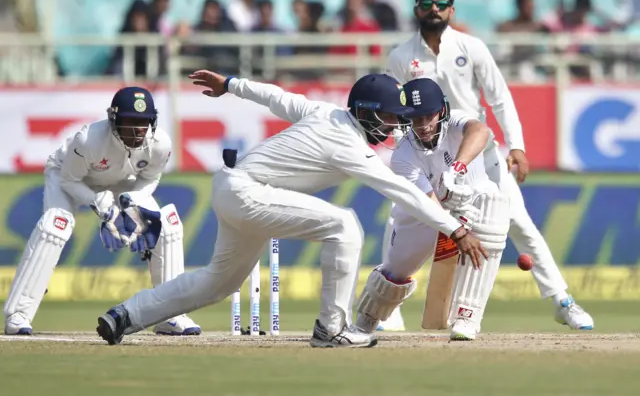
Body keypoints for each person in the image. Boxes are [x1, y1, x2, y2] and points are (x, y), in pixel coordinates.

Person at [95, 71, 487, 348]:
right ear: (365, 112)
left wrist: (230, 84)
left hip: (238, 191)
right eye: (388, 118)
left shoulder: (326, 112)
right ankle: (331, 329)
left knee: (218, 284)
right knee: (344, 225)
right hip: (249, 193)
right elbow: (406, 193)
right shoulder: (347, 144)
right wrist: (456, 230)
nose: (394, 128)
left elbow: (276, 97)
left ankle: (125, 315)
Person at [379, 0, 593, 331]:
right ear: (416, 9)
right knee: (401, 216)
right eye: (426, 3)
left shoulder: (471, 46)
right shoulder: (401, 57)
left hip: (477, 151)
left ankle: (562, 300)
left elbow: (499, 97)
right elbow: (397, 111)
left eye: (441, 3)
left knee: (519, 222)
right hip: (427, 153)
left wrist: (518, 145)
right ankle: (391, 305)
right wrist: (410, 152)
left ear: (452, 10)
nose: (434, 9)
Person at [3, 87, 200, 337]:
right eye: (130, 122)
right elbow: (68, 180)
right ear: (114, 120)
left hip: (121, 181)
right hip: (70, 176)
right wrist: (98, 202)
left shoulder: (160, 143)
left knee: (167, 224)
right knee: (56, 225)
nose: (138, 130)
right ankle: (18, 314)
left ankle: (170, 315)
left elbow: (151, 177)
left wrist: (133, 201)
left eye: (143, 122)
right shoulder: (89, 140)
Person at [355, 78, 510, 341]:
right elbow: (430, 206)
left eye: (428, 116)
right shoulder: (403, 155)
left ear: (442, 111)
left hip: (470, 203)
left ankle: (467, 316)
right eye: (415, 119)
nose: (423, 126)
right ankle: (366, 319)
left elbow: (480, 131)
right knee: (396, 270)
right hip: (425, 212)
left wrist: (457, 168)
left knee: (491, 203)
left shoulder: (456, 122)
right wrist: (457, 231)